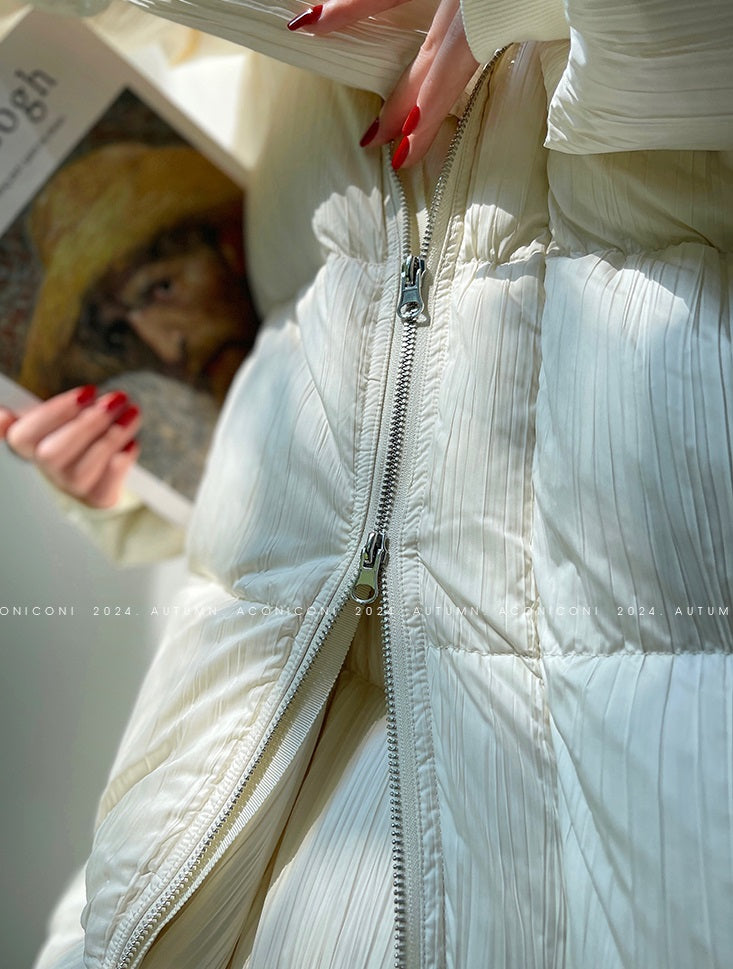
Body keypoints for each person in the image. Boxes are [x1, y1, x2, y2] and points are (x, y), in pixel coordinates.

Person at [3, 1, 732, 968]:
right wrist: (150, 457)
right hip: (251, 788)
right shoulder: (263, 56)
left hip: (623, 772)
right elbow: (376, 393)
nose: (162, 333)